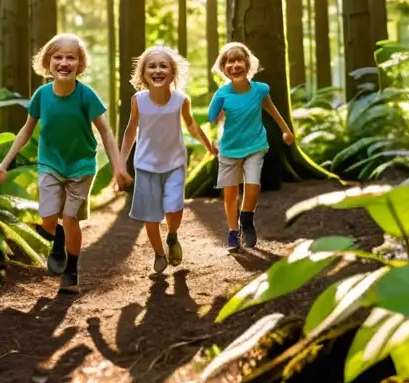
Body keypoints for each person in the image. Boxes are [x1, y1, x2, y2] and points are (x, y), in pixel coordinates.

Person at [0, 33, 131, 294]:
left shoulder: (86, 95)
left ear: (80, 64)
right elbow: (24, 131)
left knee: (70, 219)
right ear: (48, 63)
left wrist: (118, 166)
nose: (64, 62)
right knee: (48, 219)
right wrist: (4, 164)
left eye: (71, 57)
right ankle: (55, 238)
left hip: (81, 166)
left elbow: (106, 132)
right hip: (50, 163)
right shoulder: (42, 96)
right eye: (58, 57)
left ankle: (72, 271)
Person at [121, 45, 215, 275]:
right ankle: (159, 253)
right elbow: (131, 129)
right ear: (144, 74)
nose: (157, 70)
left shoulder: (181, 100)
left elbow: (191, 125)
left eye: (163, 66)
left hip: (174, 162)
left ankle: (172, 236)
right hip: (145, 164)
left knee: (174, 206)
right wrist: (120, 162)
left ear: (172, 73)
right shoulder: (138, 100)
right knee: (151, 215)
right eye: (152, 66)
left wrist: (208, 145)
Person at [207, 42, 295, 251]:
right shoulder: (222, 94)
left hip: (255, 145)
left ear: (248, 65)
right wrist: (215, 118)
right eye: (230, 61)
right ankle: (231, 231)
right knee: (230, 194)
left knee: (253, 185)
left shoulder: (260, 90)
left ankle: (246, 219)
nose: (235, 65)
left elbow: (272, 110)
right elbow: (212, 118)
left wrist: (286, 130)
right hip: (229, 149)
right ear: (223, 68)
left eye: (240, 60)